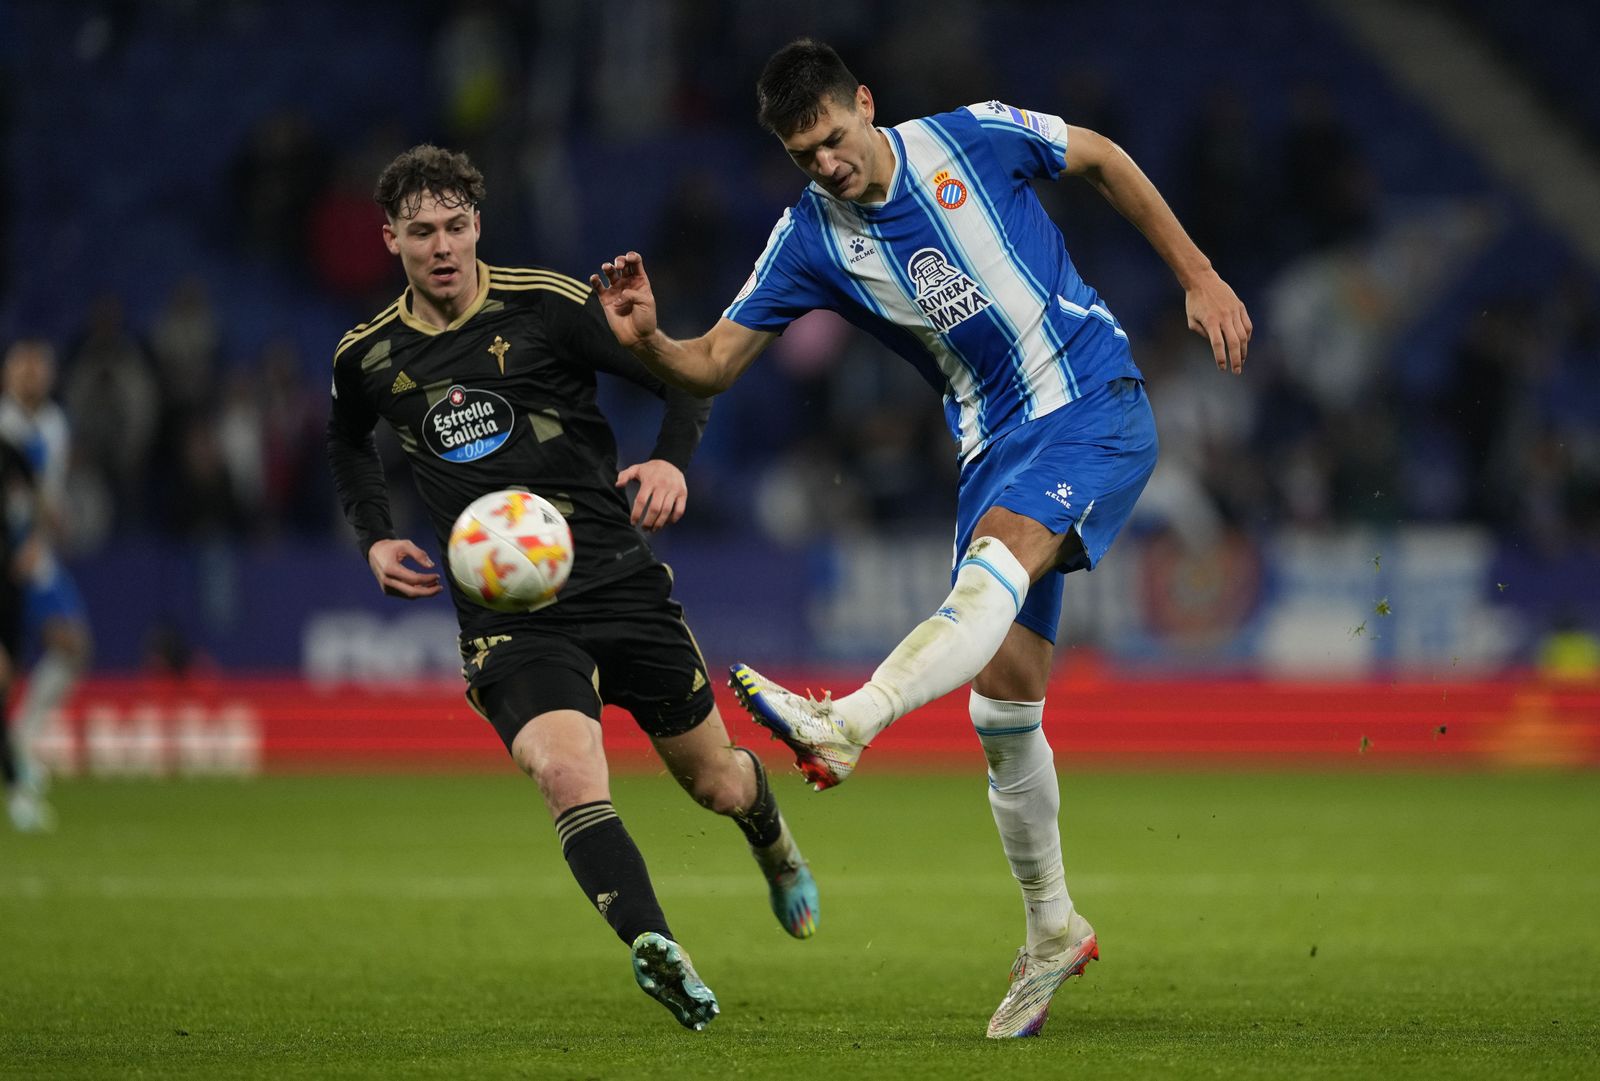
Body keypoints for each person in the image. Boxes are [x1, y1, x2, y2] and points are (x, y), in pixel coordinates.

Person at [591, 39, 1250, 1038]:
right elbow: (715, 361)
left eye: (832, 138)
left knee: (993, 565)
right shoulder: (809, 235)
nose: (825, 164)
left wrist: (1197, 274)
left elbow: (1102, 156)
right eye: (802, 154)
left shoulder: (972, 136)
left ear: (865, 103)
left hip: (1090, 401)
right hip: (992, 447)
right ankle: (1053, 928)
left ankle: (850, 719)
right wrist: (648, 339)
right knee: (1003, 710)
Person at [325, 145, 818, 1032]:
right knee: (565, 771)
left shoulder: (547, 305)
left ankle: (774, 844)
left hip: (619, 581)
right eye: (422, 231)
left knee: (716, 782)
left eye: (456, 226)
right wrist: (375, 533)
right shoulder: (367, 356)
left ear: (478, 225)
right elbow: (348, 440)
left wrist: (670, 458)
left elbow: (686, 373)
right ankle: (657, 944)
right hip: (509, 613)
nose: (442, 246)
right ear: (389, 237)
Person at [0, 338, 93, 811]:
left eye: (39, 369)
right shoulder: (4, 424)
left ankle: (20, 742)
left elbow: (46, 491)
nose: (32, 376)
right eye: (24, 368)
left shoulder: (55, 423)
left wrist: (49, 526)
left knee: (73, 645)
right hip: (7, 548)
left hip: (34, 552)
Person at [1, 436, 52, 832]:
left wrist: (34, 541)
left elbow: (39, 495)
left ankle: (17, 784)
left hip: (9, 589)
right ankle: (17, 787)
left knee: (6, 687)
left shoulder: (8, 451)